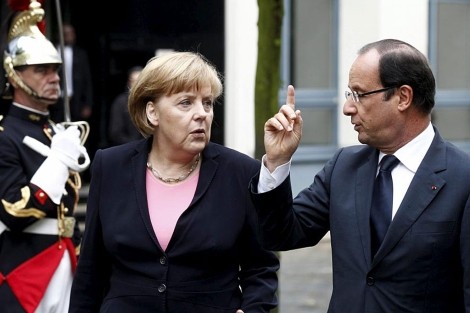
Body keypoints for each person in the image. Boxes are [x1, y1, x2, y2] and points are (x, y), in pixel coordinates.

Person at [250, 38, 470, 312]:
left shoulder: (463, 179)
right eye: (348, 95)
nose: (347, 108)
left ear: (403, 97)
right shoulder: (344, 166)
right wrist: (277, 161)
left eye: (359, 94)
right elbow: (280, 235)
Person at [69, 51, 279, 313]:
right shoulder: (110, 166)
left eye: (208, 103)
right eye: (186, 103)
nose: (202, 113)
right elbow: (91, 269)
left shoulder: (240, 172)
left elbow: (261, 267)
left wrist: (252, 310)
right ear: (152, 113)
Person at [0, 2, 90, 312]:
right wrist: (57, 161)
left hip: (65, 257)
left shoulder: (55, 131)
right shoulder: (4, 135)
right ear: (14, 75)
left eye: (55, 70)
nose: (54, 78)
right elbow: (14, 210)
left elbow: (67, 208)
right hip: (23, 266)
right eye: (41, 70)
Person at [51, 23, 93, 122]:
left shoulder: (80, 54)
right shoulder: (52, 52)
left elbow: (87, 80)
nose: (70, 36)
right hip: (56, 99)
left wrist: (88, 104)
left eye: (71, 33)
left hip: (75, 99)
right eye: (66, 34)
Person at [108, 66, 143, 146]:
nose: (136, 85)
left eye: (139, 81)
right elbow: (115, 132)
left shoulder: (151, 102)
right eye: (134, 81)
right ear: (129, 82)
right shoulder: (120, 102)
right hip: (127, 149)